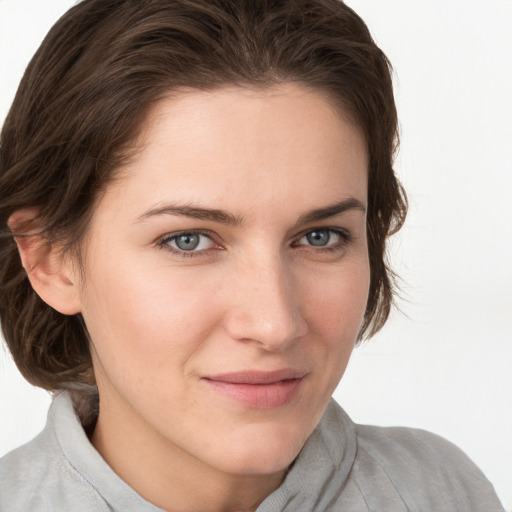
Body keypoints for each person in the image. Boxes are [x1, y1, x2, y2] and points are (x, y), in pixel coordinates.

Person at [0, 0, 505, 510]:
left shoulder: (441, 493)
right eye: (188, 240)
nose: (275, 324)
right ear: (50, 259)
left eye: (320, 236)